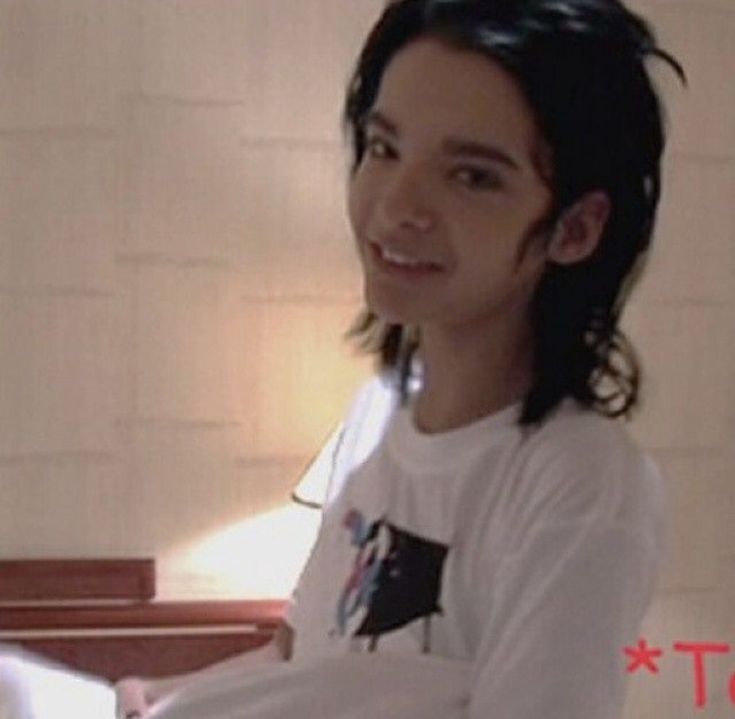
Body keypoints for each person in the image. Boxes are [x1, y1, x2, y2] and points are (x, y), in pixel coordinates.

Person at [0, 0, 686, 717]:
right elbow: (298, 659)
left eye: (472, 176)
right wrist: (151, 698)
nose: (395, 206)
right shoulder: (379, 410)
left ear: (574, 228)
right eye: (384, 148)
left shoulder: (579, 482)